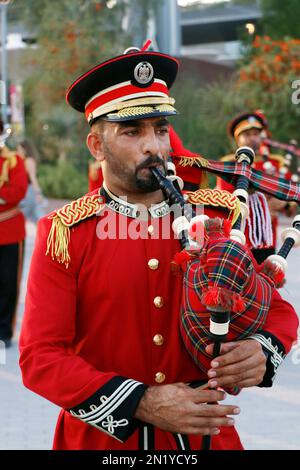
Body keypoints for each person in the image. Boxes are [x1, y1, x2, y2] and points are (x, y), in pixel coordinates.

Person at [19, 48, 298, 450]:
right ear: (97, 145)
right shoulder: (64, 232)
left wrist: (264, 349)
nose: (153, 145)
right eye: (132, 132)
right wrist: (142, 402)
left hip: (205, 440)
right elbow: (41, 357)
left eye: (161, 129)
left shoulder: (216, 216)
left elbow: (276, 308)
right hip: (102, 443)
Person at [217, 111, 295, 264]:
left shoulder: (276, 163)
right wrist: (262, 202)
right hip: (237, 236)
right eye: (247, 134)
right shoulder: (228, 165)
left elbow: (291, 204)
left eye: (256, 134)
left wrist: (284, 204)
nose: (253, 138)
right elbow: (224, 201)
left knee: (265, 282)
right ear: (237, 139)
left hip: (266, 238)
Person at [0, 120, 28, 347]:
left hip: (8, 229)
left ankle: (3, 331)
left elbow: (17, 191)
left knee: (8, 281)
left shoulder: (13, 161)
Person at [18, 139, 46, 223]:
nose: (18, 151)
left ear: (25, 149)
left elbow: (33, 178)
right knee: (37, 216)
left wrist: (38, 193)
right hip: (28, 192)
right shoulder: (26, 160)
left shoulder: (29, 161)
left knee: (22, 215)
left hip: (29, 192)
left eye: (19, 149)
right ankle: (48, 233)